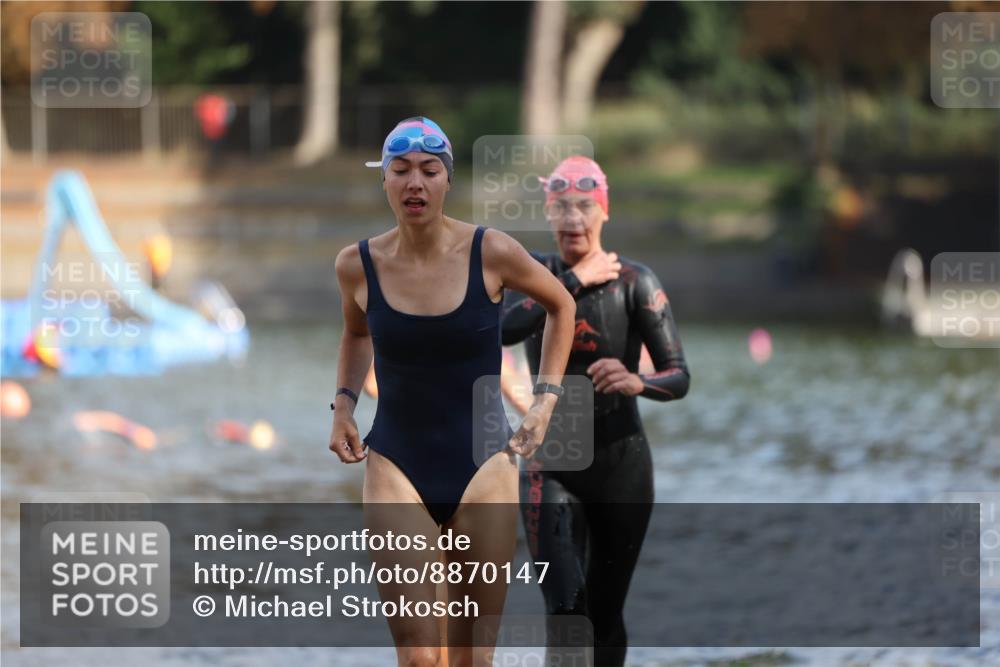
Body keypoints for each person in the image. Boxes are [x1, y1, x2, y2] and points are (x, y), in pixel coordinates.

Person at [329, 117, 576, 667]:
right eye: (401, 171)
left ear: (447, 181)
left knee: (470, 660)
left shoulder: (492, 251)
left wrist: (545, 400)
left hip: (485, 466)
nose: (415, 182)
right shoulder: (357, 265)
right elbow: (355, 330)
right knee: (420, 658)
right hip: (395, 465)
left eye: (429, 171)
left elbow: (562, 305)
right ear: (385, 182)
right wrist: (343, 405)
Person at [501, 155, 691, 667]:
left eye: (585, 206)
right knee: (566, 610)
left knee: (605, 614)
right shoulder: (533, 272)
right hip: (549, 462)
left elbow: (679, 375)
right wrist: (575, 280)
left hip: (621, 463)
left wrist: (637, 381)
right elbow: (501, 330)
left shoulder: (636, 282)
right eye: (561, 207)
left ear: (604, 212)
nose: (573, 218)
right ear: (549, 214)